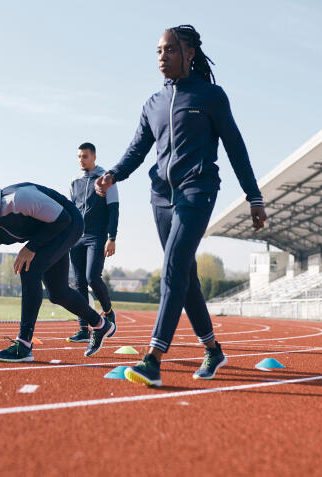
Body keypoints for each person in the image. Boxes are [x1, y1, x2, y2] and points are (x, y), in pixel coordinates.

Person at [95, 25, 266, 386]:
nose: (162, 56)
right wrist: (112, 174)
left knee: (173, 265)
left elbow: (236, 147)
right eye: (158, 51)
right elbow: (136, 150)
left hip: (197, 190)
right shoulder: (152, 104)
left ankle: (153, 357)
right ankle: (213, 349)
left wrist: (254, 196)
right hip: (160, 197)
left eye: (170, 50)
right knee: (185, 276)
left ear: (189, 53)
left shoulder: (211, 97)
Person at [0, 183, 116, 362]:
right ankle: (100, 324)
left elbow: (63, 219)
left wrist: (32, 247)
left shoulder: (18, 200)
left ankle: (24, 345)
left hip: (69, 221)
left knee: (29, 268)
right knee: (58, 293)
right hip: (46, 230)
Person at [66, 142, 119, 343]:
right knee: (78, 284)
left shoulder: (106, 179)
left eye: (85, 156)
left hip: (97, 236)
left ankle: (108, 312)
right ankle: (83, 328)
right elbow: (72, 210)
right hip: (76, 237)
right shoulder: (74, 181)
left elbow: (114, 209)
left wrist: (112, 238)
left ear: (94, 157)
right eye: (79, 156)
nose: (81, 160)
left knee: (92, 278)